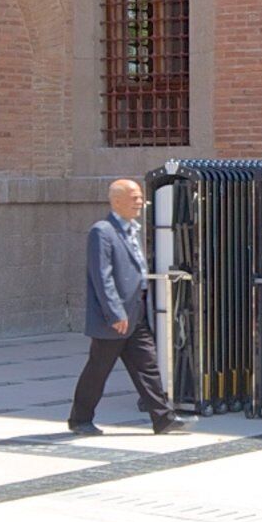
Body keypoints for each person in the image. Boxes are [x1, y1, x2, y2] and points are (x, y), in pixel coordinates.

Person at [71, 177, 177, 436]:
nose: (140, 201)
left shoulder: (132, 229)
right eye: (134, 197)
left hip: (136, 311)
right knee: (98, 370)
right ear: (116, 200)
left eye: (141, 196)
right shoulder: (102, 231)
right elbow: (102, 276)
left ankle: (163, 418)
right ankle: (80, 419)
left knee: (147, 366)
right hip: (115, 317)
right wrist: (115, 312)